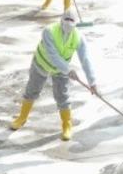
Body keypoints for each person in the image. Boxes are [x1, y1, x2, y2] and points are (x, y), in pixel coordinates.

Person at [10, 12, 98, 140]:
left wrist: (92, 82)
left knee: (62, 96)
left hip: (61, 70)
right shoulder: (49, 31)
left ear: (75, 24)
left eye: (71, 20)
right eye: (66, 19)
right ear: (61, 20)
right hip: (42, 63)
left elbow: (85, 60)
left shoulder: (78, 37)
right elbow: (53, 56)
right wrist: (68, 70)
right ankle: (22, 118)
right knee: (32, 90)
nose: (68, 22)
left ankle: (67, 125)